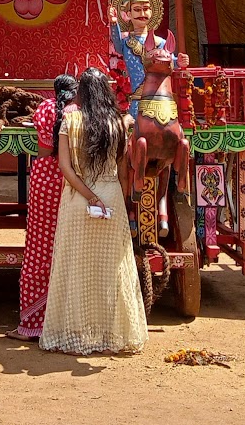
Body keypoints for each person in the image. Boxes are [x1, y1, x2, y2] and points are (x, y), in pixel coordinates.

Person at [40, 66, 148, 356]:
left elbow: (66, 168)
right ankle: (112, 335)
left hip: (79, 200)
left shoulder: (70, 121)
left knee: (77, 269)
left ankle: (75, 336)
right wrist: (117, 202)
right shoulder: (119, 123)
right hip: (111, 197)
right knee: (112, 270)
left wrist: (90, 197)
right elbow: (124, 171)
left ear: (82, 93)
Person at [11, 74, 76, 341]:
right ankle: (65, 321)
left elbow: (43, 145)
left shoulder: (45, 110)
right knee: (70, 249)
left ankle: (32, 324)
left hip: (44, 178)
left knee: (38, 249)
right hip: (72, 180)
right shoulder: (79, 113)